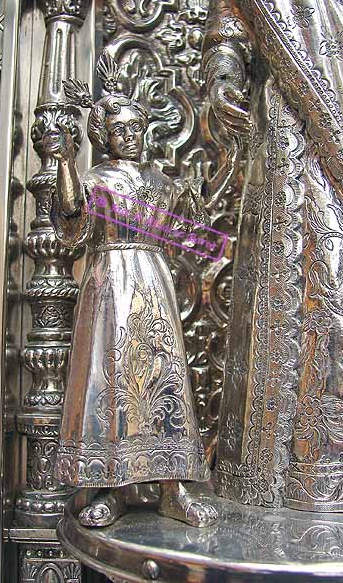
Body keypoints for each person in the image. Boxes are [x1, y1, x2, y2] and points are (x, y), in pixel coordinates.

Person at [203, 0, 343, 512]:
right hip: (289, 126)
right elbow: (232, 18)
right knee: (299, 280)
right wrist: (224, 70)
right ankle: (279, 473)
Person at [46, 52, 217, 527]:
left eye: (137, 130)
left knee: (162, 379)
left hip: (153, 282)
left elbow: (196, 240)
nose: (132, 139)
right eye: (122, 132)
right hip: (107, 284)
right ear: (102, 137)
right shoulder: (96, 181)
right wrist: (62, 160)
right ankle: (113, 486)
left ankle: (171, 486)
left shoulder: (162, 182)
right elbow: (72, 225)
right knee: (112, 378)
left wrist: (201, 197)